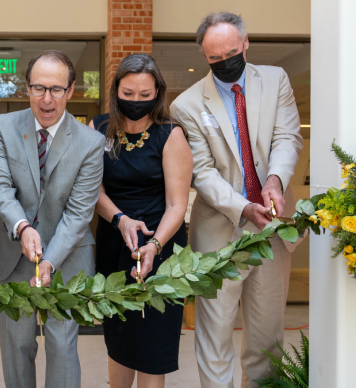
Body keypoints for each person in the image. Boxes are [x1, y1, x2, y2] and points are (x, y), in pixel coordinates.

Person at [170, 12, 303, 388]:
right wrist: (244, 206)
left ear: (245, 44)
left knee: (266, 340)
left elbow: (287, 137)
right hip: (219, 234)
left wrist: (274, 180)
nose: (226, 62)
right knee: (214, 340)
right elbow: (203, 173)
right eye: (215, 58)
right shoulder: (187, 104)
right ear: (204, 56)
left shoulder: (275, 80)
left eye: (231, 52)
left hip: (274, 229)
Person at [0, 50, 105, 388]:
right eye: (39, 88)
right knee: (17, 347)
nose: (47, 99)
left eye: (56, 89)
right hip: (14, 256)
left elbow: (80, 212)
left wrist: (49, 260)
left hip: (67, 259)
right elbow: (1, 187)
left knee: (62, 348)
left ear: (71, 90)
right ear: (27, 88)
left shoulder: (91, 143)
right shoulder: (5, 127)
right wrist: (22, 228)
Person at [90, 53, 192, 388]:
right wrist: (119, 218)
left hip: (160, 246)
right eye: (128, 94)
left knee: (152, 343)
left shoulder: (171, 134)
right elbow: (92, 190)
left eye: (145, 96)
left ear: (158, 93)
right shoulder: (99, 128)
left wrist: (155, 244)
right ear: (116, 90)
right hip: (114, 240)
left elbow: (177, 204)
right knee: (118, 335)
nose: (136, 101)